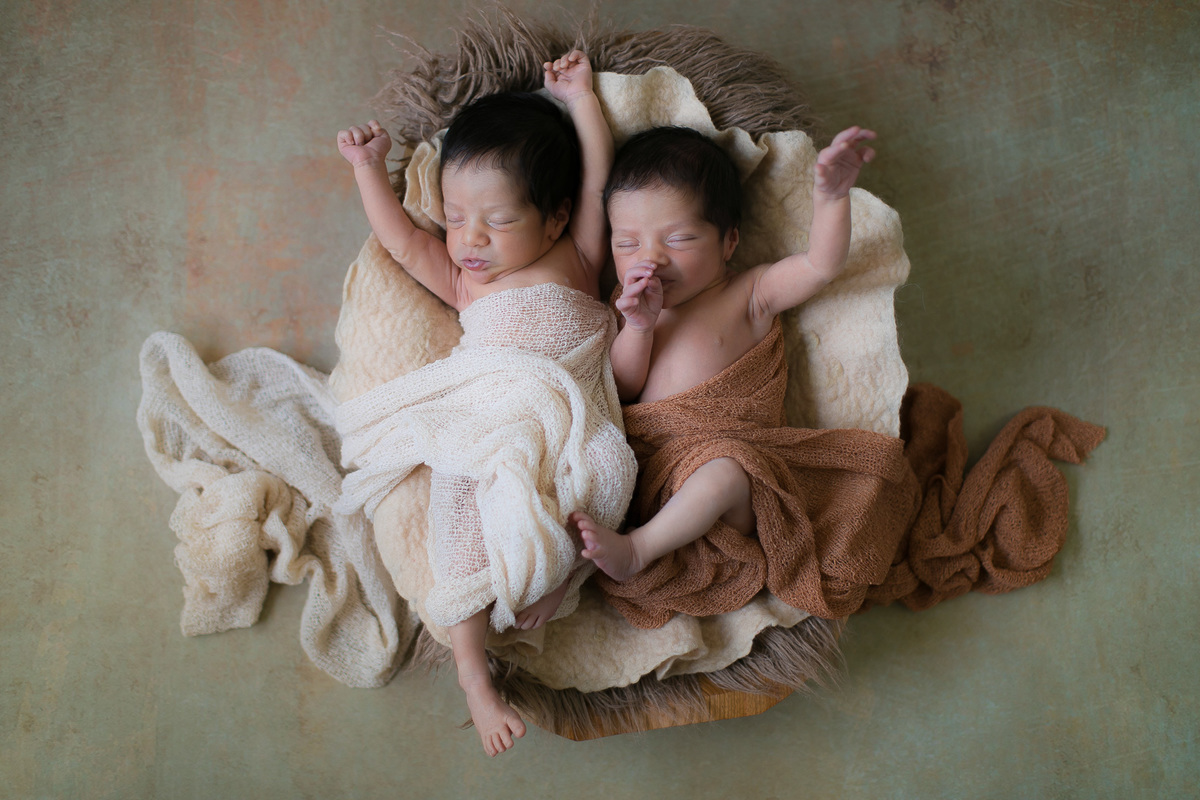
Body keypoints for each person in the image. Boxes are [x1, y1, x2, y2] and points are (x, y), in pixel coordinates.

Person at [335, 51, 635, 756]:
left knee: (607, 474)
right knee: (461, 503)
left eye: (496, 222)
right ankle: (474, 669)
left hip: (567, 403)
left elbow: (598, 176)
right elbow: (405, 244)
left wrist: (580, 100)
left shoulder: (582, 254)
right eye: (457, 215)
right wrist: (367, 171)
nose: (469, 239)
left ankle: (559, 576)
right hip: (492, 408)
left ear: (555, 218)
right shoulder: (464, 281)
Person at [572, 124, 876, 591]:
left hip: (727, 484)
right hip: (643, 473)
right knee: (570, 465)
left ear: (729, 242)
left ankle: (637, 551)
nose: (649, 259)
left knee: (725, 471)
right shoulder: (627, 304)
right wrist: (638, 327)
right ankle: (562, 579)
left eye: (678, 239)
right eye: (627, 243)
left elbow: (819, 266)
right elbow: (621, 390)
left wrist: (832, 198)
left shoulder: (748, 293)